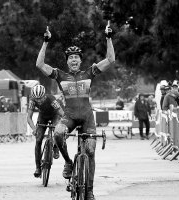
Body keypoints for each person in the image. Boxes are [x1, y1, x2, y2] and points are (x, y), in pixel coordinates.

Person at [36, 23, 114, 200]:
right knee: (57, 133)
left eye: (76, 57)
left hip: (87, 117)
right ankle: (69, 162)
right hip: (69, 116)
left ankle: (90, 191)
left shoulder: (90, 72)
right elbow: (39, 64)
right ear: (67, 61)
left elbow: (110, 60)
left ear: (80, 60)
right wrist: (45, 42)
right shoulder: (60, 75)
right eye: (70, 57)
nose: (73, 60)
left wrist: (109, 38)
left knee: (91, 151)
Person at [27, 85, 65, 178]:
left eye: (40, 98)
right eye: (37, 99)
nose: (39, 101)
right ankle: (38, 168)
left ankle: (56, 147)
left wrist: (63, 125)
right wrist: (34, 129)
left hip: (55, 115)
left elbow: (62, 114)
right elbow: (29, 118)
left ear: (44, 95)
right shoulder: (32, 100)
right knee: (38, 140)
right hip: (43, 116)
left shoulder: (51, 99)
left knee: (57, 131)